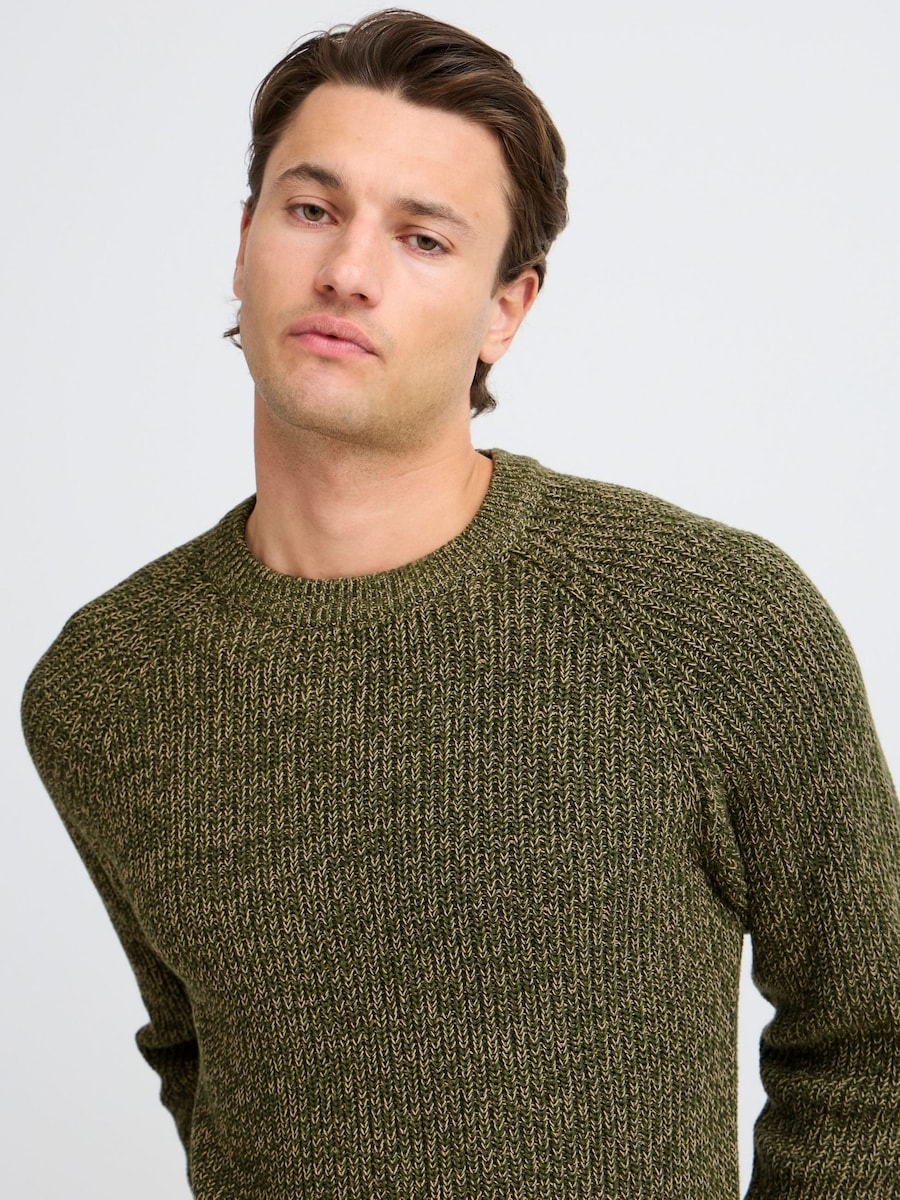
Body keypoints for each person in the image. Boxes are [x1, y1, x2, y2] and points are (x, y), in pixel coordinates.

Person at [21, 9, 899, 1199]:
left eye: (424, 238)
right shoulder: (104, 685)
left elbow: (876, 1043)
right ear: (243, 242)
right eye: (311, 209)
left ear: (506, 309)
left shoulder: (710, 621)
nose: (348, 270)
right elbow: (209, 1068)